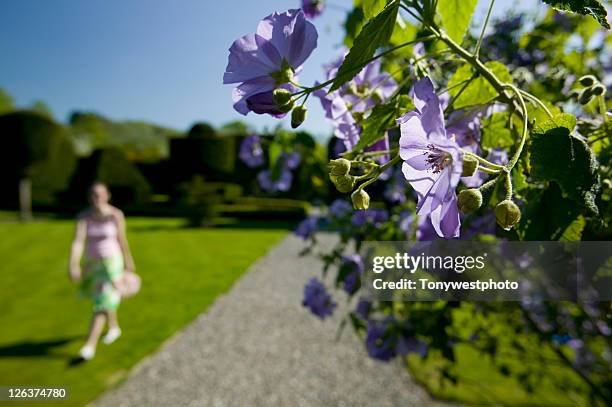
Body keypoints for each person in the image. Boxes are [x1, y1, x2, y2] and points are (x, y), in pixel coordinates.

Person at [69, 182, 136, 360]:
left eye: (99, 194)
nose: (96, 198)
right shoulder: (84, 217)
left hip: (113, 262)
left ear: (107, 195)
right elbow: (78, 242)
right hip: (93, 264)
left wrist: (129, 261)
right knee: (105, 298)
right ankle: (114, 327)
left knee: (102, 301)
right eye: (93, 194)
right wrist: (74, 264)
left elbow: (122, 239)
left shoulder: (115, 215)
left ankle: (89, 346)